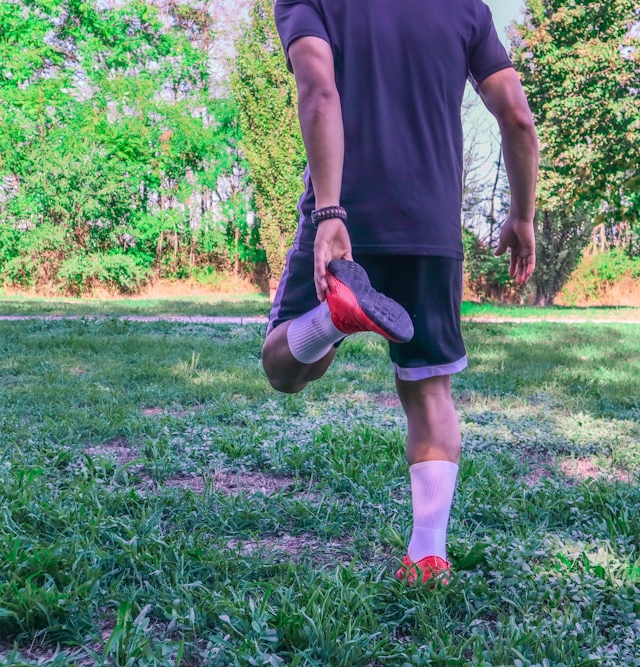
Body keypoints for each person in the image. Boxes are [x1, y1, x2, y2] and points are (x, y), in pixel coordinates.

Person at [264, 0, 538, 585]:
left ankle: (335, 320)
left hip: (346, 218)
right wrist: (522, 216)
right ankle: (427, 555)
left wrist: (331, 212)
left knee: (284, 369)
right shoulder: (465, 7)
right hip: (430, 228)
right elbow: (516, 115)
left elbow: (318, 89)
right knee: (428, 389)